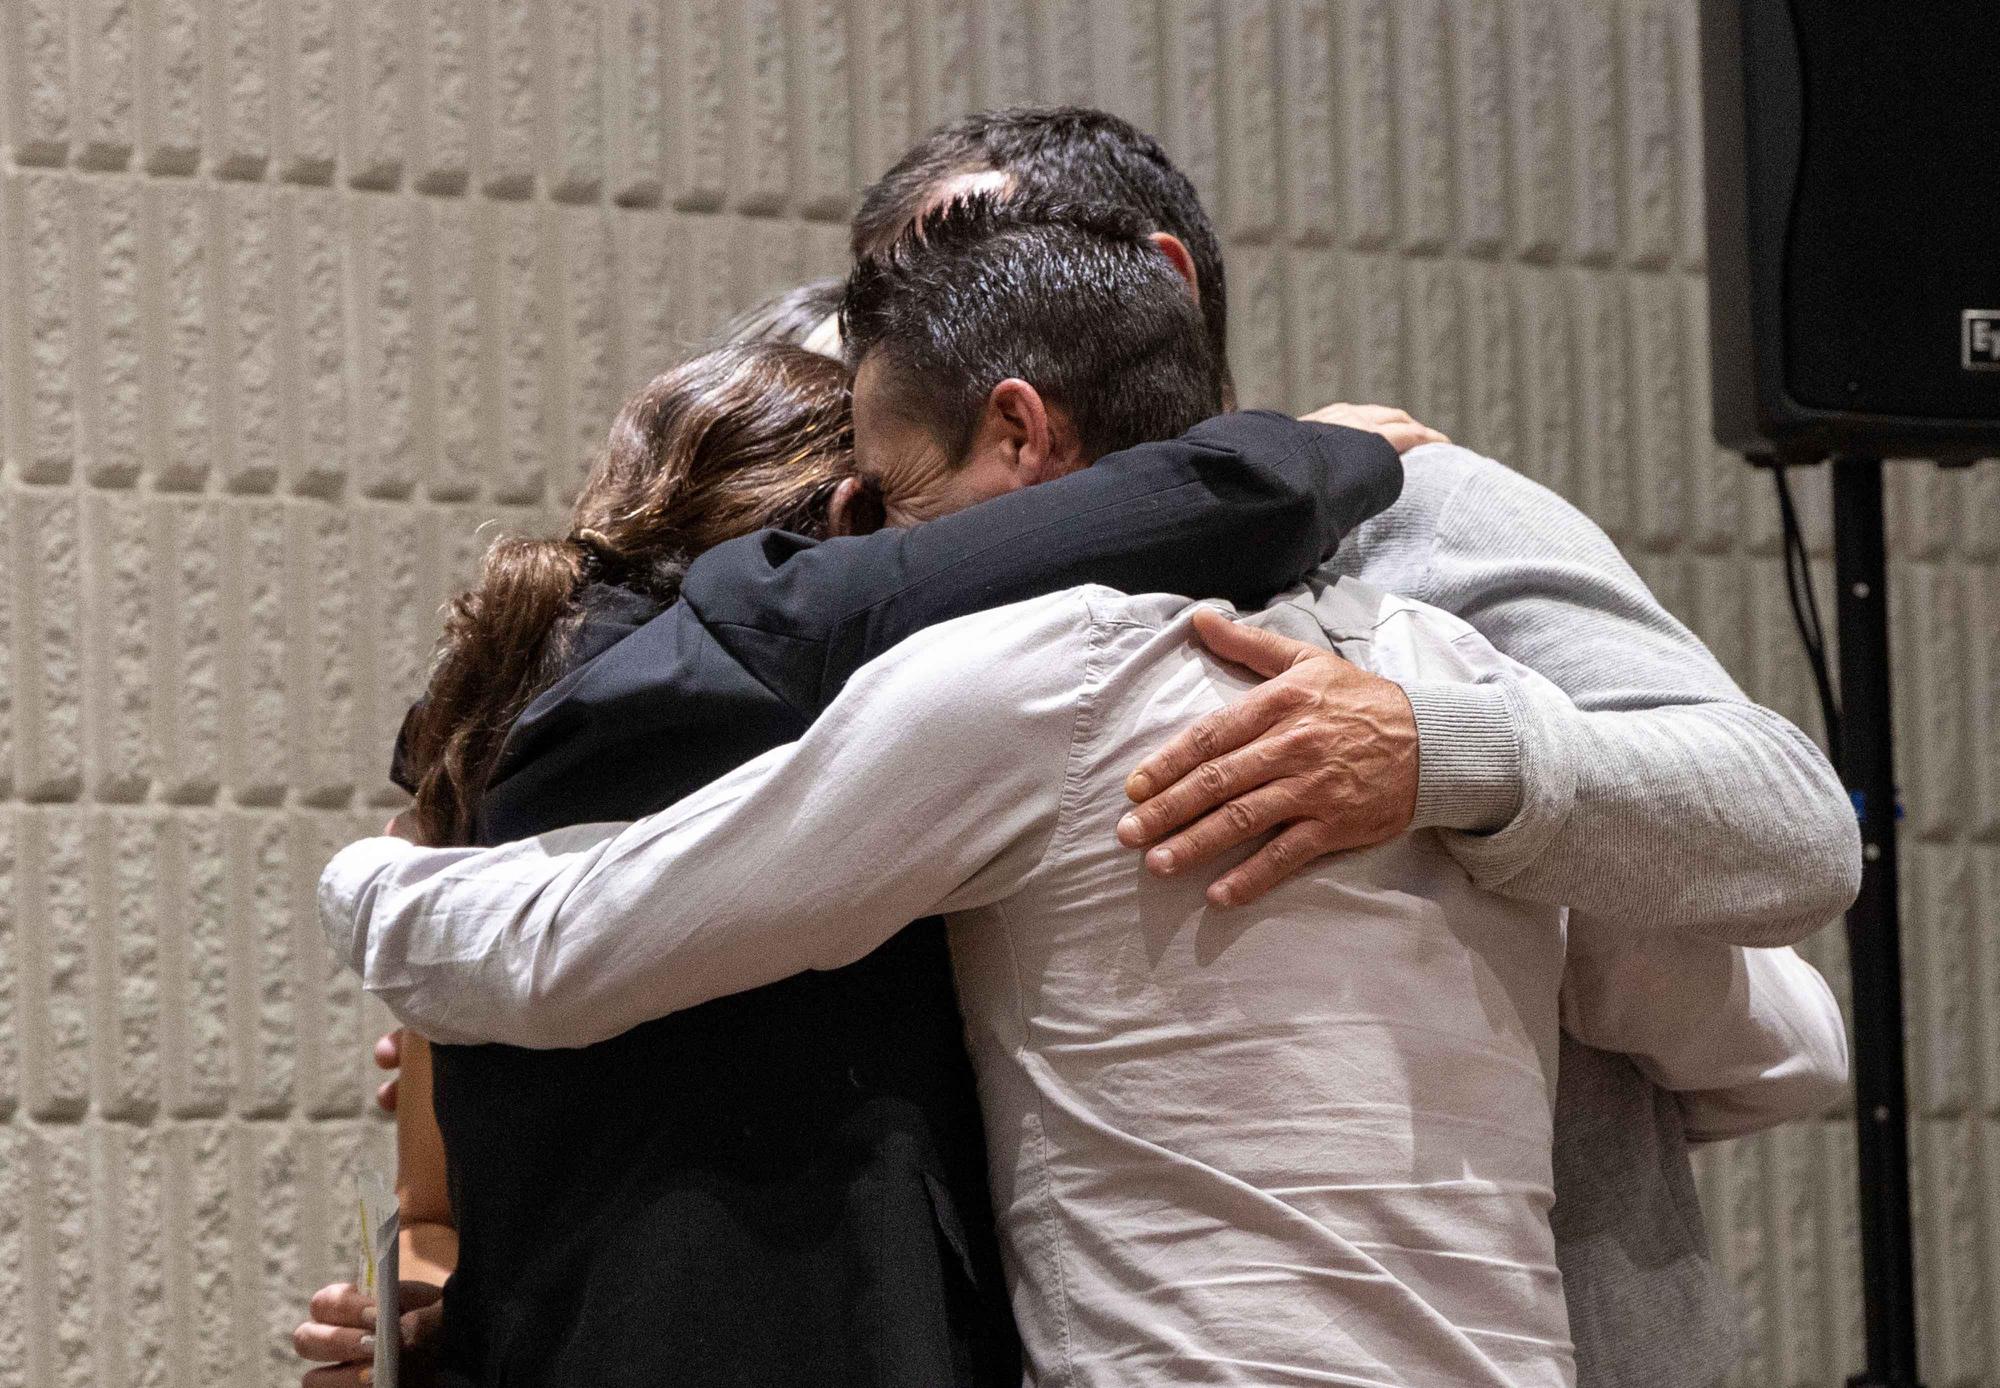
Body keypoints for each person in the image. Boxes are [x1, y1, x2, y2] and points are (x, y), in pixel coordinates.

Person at [320, 198, 1849, 1385]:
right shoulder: (1446, 702)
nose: (872, 543)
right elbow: (1785, 1043)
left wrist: (376, 882)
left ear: (1017, 433)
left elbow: (570, 945)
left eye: (884, 491)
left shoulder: (1017, 693)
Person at [843, 106, 1861, 1387]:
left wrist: (1439, 754)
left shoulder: (1409, 511)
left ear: (1156, 280)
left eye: (962, 281)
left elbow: (1795, 823)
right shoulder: (963, 592)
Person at [295, 251, 1420, 1384]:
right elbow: (1227, 495)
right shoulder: (791, 647)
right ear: (847, 517)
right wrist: (1331, 443)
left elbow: (438, 1201)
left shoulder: (506, 708)